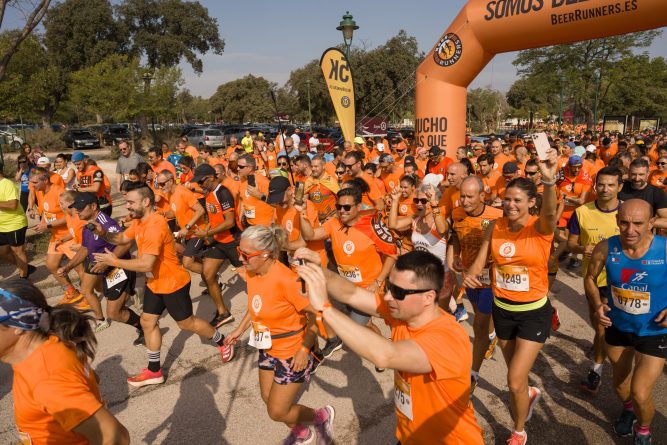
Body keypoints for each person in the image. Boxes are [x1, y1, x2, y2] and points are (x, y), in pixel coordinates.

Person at [295, 249, 484, 444]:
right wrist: (320, 271)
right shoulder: (404, 312)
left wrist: (325, 309)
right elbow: (352, 294)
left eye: (399, 292)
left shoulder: (447, 338)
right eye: (388, 287)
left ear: (428, 297)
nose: (387, 297)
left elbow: (385, 355)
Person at [91, 185, 235, 386]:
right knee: (147, 322)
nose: (128, 206)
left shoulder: (155, 225)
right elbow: (122, 238)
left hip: (172, 284)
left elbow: (145, 264)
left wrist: (114, 262)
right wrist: (104, 233)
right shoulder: (140, 222)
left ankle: (222, 339)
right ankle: (154, 371)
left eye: (131, 202)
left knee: (187, 323)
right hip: (155, 283)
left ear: (146, 202)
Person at [463, 148, 560, 445]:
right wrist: (471, 273)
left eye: (518, 200)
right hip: (502, 310)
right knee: (515, 374)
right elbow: (482, 260)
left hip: (533, 312)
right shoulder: (496, 226)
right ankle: (527, 394)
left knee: (514, 379)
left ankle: (519, 430)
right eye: (507, 199)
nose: (510, 205)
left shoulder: (540, 228)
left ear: (532, 203)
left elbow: (550, 211)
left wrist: (549, 181)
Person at [224, 225, 334, 444]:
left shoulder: (287, 281)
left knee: (276, 411)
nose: (240, 258)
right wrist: (239, 330)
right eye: (239, 251)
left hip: (292, 353)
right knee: (268, 398)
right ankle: (302, 431)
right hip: (267, 347)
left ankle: (321, 416)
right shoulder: (253, 272)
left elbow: (315, 316)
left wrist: (305, 350)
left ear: (265, 254)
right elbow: (258, 304)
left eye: (245, 254)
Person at [0, 278, 130, 444]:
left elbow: (115, 436)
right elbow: (91, 378)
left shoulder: (46, 377)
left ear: (20, 323)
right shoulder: (51, 343)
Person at [584, 199, 667, 444]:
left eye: (638, 224)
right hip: (618, 328)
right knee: (620, 386)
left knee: (641, 392)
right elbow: (590, 278)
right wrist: (598, 304)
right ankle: (628, 410)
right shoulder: (606, 248)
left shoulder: (664, 249)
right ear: (617, 221)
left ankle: (643, 430)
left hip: (653, 331)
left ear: (652, 223)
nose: (630, 230)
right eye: (624, 223)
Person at [300, 187, 397, 363]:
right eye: (338, 207)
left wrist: (378, 281)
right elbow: (311, 235)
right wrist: (301, 214)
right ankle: (384, 344)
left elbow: (391, 254)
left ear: (359, 206)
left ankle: (387, 351)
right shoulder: (333, 223)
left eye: (347, 207)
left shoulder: (372, 226)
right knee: (366, 323)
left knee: (358, 323)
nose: (341, 211)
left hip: (369, 287)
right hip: (347, 288)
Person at [58, 192, 144, 344]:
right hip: (103, 268)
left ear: (93, 206)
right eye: (75, 208)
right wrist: (68, 267)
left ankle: (145, 326)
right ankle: (136, 307)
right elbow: (85, 248)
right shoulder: (88, 226)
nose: (77, 211)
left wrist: (108, 262)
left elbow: (126, 243)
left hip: (119, 269)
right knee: (106, 302)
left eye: (80, 208)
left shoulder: (107, 223)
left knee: (114, 313)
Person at [567, 166, 623, 394]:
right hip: (591, 278)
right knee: (598, 324)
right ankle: (603, 349)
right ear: (594, 185)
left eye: (611, 185)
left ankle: (596, 370)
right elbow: (570, 244)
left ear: (620, 187)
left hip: (621, 280)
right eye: (601, 184)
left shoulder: (629, 213)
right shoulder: (582, 212)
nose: (605, 189)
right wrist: (583, 248)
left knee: (603, 326)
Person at [450, 176, 504, 388]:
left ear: (482, 196)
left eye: (470, 196)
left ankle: (473, 374)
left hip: (492, 279)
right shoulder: (457, 214)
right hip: (469, 279)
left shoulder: (498, 216)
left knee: (480, 322)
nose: (465, 201)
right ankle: (492, 336)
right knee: (483, 318)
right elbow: (455, 236)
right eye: (462, 196)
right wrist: (455, 255)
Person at [188, 164, 242, 327]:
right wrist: (208, 233)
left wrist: (206, 234)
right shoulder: (209, 194)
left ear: (210, 177)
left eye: (201, 181)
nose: (199, 185)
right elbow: (213, 219)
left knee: (251, 278)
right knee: (208, 274)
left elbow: (229, 222)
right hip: (219, 242)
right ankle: (223, 313)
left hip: (233, 241)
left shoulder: (223, 192)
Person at [29, 168, 81, 303]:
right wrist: (42, 224)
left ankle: (90, 295)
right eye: (31, 183)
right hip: (56, 236)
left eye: (35, 183)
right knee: (51, 265)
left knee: (80, 269)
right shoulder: (40, 192)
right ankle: (72, 292)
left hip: (69, 235)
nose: (32, 186)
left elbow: (71, 215)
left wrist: (49, 225)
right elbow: (46, 212)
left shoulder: (60, 192)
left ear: (45, 180)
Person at [0, 164, 32, 279]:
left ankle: (24, 279)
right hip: (1, 226)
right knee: (3, 252)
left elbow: (13, 205)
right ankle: (25, 267)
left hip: (14, 224)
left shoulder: (7, 184)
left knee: (18, 251)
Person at [619, 159, 667, 229]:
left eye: (641, 174)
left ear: (648, 174)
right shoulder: (620, 188)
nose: (637, 178)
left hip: (644, 236)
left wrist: (641, 223)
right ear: (629, 173)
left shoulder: (656, 192)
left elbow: (665, 220)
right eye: (633, 174)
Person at [72, 151, 112, 216]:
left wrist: (79, 189)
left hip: (102, 204)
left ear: (85, 160)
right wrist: (77, 186)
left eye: (79, 164)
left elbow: (96, 188)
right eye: (75, 165)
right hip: (90, 205)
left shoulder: (96, 171)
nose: (77, 166)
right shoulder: (79, 173)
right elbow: (83, 187)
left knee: (102, 225)